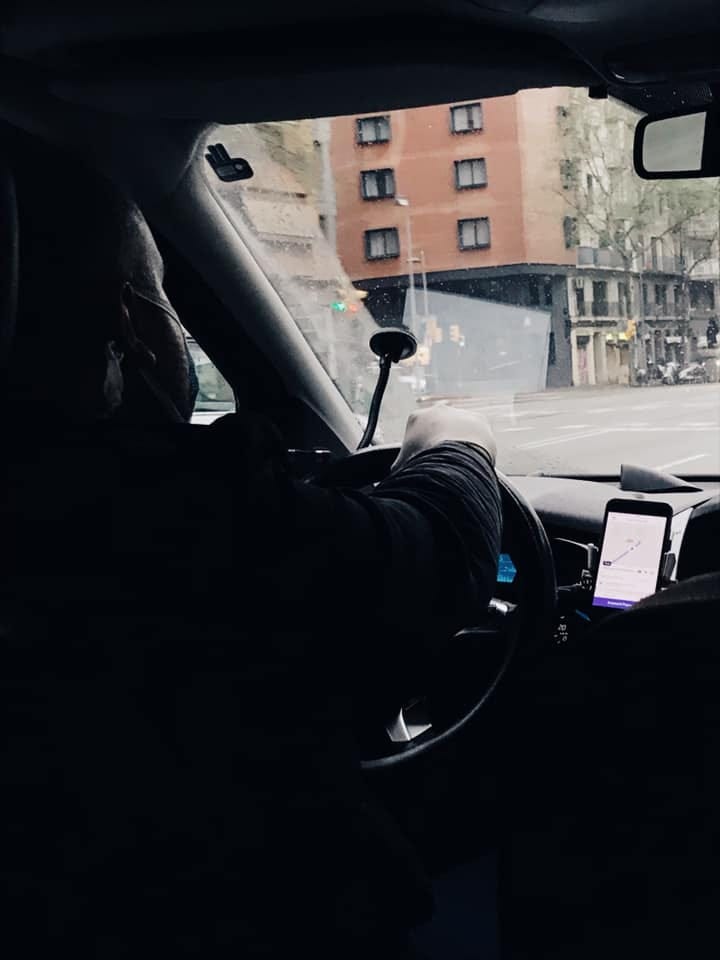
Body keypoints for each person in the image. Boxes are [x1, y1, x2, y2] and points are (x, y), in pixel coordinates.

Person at [1, 146, 502, 958]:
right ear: (128, 323)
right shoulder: (169, 509)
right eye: (163, 297)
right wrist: (454, 441)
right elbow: (439, 557)